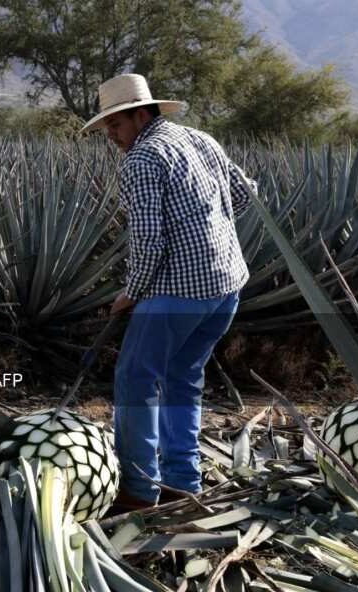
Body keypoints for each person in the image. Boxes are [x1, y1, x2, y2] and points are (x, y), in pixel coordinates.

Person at [81, 74, 257, 515]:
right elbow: (246, 194)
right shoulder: (199, 139)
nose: (112, 138)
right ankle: (183, 483)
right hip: (225, 287)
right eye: (107, 130)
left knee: (135, 381)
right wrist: (206, 228)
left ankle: (138, 492)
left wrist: (132, 292)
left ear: (141, 115)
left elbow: (148, 240)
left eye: (115, 126)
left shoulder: (142, 157)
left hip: (176, 293)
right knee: (183, 379)